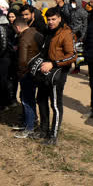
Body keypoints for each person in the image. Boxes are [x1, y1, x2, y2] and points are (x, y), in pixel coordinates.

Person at [36, 8, 77, 145]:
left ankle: (53, 135)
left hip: (58, 72)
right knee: (41, 100)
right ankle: (43, 130)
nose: (51, 22)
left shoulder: (66, 33)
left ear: (59, 18)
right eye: (49, 19)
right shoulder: (48, 31)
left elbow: (72, 55)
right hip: (44, 71)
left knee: (55, 103)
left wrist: (54, 64)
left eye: (53, 19)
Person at [12, 18, 43, 138]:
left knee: (27, 100)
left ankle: (29, 128)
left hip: (27, 73)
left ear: (18, 27)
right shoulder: (36, 33)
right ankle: (28, 122)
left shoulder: (23, 39)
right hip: (35, 71)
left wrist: (20, 73)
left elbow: (22, 60)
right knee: (29, 99)